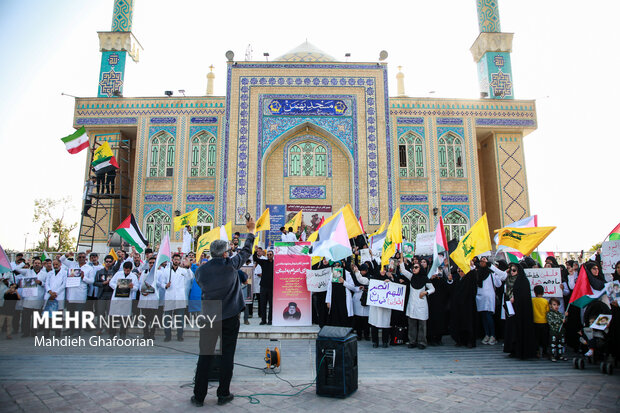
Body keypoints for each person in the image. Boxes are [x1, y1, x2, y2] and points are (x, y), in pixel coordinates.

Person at [192, 217, 255, 407]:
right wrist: (251, 231)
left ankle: (199, 396)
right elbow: (245, 251)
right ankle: (223, 394)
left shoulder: (201, 271)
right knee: (228, 355)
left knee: (205, 355)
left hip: (210, 316)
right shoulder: (230, 265)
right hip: (229, 316)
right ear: (225, 253)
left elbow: (201, 284)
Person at [502, 262, 537, 359]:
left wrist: (515, 298)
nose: (512, 272)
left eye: (514, 270)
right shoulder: (508, 280)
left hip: (521, 310)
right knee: (511, 329)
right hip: (511, 308)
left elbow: (524, 295)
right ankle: (512, 349)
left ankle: (521, 351)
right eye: (511, 270)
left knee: (520, 329)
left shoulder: (523, 280)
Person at [400, 259, 434, 349]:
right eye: (413, 267)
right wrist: (401, 261)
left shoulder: (425, 279)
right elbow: (403, 271)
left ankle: (422, 342)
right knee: (412, 324)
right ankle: (412, 341)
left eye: (416, 267)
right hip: (412, 304)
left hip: (421, 303)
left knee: (422, 324)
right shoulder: (412, 277)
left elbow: (432, 289)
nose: (414, 269)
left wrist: (426, 292)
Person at [161, 253, 193, 341]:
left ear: (180, 261)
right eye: (175, 259)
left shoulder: (183, 271)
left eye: (178, 259)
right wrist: (165, 285)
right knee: (167, 318)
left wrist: (187, 267)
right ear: (172, 260)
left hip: (180, 297)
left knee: (180, 318)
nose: (176, 261)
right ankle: (167, 336)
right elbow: (161, 283)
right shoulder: (166, 271)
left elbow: (190, 277)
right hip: (169, 296)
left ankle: (180, 335)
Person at [475, 257, 507, 345]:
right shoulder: (478, 273)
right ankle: (487, 334)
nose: (482, 262)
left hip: (489, 297)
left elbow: (499, 283)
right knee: (483, 316)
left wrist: (494, 271)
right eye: (481, 261)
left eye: (484, 260)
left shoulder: (491, 273)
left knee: (489, 316)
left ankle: (492, 335)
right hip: (480, 297)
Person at [61, 252, 94, 336]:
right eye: (79, 257)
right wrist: (67, 254)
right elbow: (61, 260)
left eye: (83, 257)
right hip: (71, 292)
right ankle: (70, 329)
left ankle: (77, 331)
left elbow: (91, 281)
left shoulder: (89, 268)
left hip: (80, 293)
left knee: (78, 314)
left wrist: (84, 277)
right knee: (70, 312)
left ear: (86, 258)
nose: (81, 258)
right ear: (77, 258)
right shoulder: (72, 264)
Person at [449, 264, 477, 348]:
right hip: (457, 306)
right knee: (458, 323)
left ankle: (469, 341)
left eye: (462, 271)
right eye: (459, 271)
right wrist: (450, 280)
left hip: (467, 306)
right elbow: (451, 290)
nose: (460, 273)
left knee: (468, 323)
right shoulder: (457, 279)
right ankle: (459, 340)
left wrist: (471, 267)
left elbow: (473, 276)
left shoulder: (469, 279)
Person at [109, 261, 138, 339]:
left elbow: (136, 288)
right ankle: (112, 334)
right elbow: (111, 283)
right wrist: (118, 287)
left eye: (128, 270)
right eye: (125, 270)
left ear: (131, 269)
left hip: (126, 299)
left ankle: (123, 334)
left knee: (125, 318)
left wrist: (132, 287)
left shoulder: (133, 276)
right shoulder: (118, 274)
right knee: (113, 317)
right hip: (117, 297)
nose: (126, 271)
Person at [20, 257, 47, 337]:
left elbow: (47, 284)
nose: (37, 264)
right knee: (26, 318)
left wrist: (40, 282)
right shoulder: (27, 272)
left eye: (38, 263)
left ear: (41, 265)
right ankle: (26, 332)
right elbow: (16, 269)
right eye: (35, 263)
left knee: (36, 318)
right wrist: (23, 262)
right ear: (33, 264)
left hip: (38, 298)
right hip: (28, 298)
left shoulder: (44, 274)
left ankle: (34, 332)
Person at [368, 260, 392, 348]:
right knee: (375, 323)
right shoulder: (374, 279)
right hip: (376, 306)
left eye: (384, 270)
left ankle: (385, 341)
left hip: (385, 306)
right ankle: (375, 341)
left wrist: (390, 281)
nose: (383, 271)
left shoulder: (390, 279)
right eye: (381, 269)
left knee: (385, 323)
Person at [326, 262, 355, 327]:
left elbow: (352, 287)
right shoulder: (332, 274)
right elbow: (329, 288)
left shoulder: (346, 273)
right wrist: (328, 301)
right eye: (335, 266)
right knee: (334, 317)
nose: (337, 267)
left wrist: (344, 282)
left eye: (339, 266)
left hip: (344, 300)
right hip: (334, 300)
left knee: (343, 317)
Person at [43, 259, 67, 337]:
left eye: (57, 264)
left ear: (60, 264)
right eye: (54, 265)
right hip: (50, 295)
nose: (55, 266)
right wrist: (50, 292)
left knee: (59, 315)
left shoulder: (64, 273)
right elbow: (47, 283)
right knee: (48, 315)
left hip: (59, 295)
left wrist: (56, 293)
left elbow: (64, 285)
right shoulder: (50, 273)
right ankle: (46, 333)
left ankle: (57, 333)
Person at [138, 256, 160, 339]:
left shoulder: (159, 272)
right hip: (144, 297)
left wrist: (152, 283)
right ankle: (145, 334)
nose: (151, 264)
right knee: (145, 318)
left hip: (153, 297)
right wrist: (143, 291)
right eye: (150, 263)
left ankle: (152, 334)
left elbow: (160, 284)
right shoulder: (144, 272)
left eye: (153, 263)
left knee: (153, 318)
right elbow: (140, 284)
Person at [93, 255, 116, 335]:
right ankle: (100, 328)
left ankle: (109, 328)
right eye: (107, 261)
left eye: (110, 261)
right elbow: (95, 282)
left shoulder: (114, 272)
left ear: (112, 262)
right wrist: (103, 283)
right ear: (104, 262)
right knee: (100, 313)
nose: (108, 263)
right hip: (102, 294)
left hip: (111, 294)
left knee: (110, 313)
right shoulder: (99, 272)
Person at [253, 249, 274, 325]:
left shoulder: (275, 263)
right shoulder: (264, 262)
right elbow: (255, 258)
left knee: (271, 305)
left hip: (272, 287)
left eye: (270, 254)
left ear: (273, 255)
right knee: (263, 304)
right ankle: (263, 320)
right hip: (263, 286)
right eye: (268, 254)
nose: (269, 256)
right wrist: (256, 252)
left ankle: (270, 320)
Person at [546, 297, 567, 362]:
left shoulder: (560, 314)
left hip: (560, 331)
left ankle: (560, 355)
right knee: (553, 344)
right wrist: (561, 320)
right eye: (554, 305)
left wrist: (565, 316)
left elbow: (563, 321)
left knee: (560, 344)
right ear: (550, 305)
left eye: (557, 305)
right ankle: (552, 355)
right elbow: (551, 321)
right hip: (553, 331)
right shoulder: (549, 313)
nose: (556, 306)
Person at [531, 285, 549, 358]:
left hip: (535, 321)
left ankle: (537, 351)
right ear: (543, 292)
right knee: (544, 338)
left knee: (536, 338)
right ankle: (545, 351)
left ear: (535, 292)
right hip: (544, 322)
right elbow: (547, 311)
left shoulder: (533, 300)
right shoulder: (545, 301)